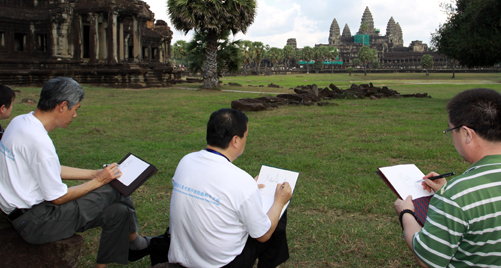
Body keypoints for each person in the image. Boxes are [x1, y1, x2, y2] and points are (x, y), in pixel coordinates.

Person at [0, 77, 150, 268]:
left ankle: (118, 256)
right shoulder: (38, 141)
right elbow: (59, 198)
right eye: (76, 109)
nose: (75, 115)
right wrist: (99, 181)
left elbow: (47, 169)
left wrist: (94, 174)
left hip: (23, 214)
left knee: (117, 212)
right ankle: (137, 244)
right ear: (62, 106)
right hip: (37, 222)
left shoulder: (20, 122)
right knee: (115, 189)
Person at [394, 88, 501, 268]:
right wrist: (447, 191)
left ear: (466, 133)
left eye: (451, 130)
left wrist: (406, 213)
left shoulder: (457, 194)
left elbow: (428, 259)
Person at [168, 108, 292, 268]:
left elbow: (211, 187)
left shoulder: (186, 161)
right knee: (277, 216)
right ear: (235, 141)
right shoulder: (240, 181)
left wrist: (249, 189)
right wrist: (279, 202)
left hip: (185, 256)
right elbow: (263, 235)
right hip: (220, 264)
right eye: (245, 136)